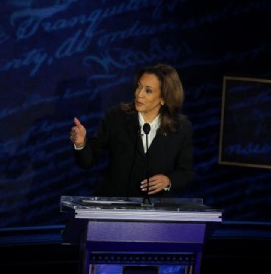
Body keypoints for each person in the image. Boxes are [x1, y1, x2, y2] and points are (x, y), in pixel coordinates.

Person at [69, 64, 194, 198]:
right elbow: (87, 161)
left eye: (148, 91)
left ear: (164, 97)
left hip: (155, 206)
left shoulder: (181, 128)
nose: (139, 94)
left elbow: (186, 172)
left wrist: (168, 181)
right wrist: (81, 144)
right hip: (115, 204)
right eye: (139, 87)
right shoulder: (116, 117)